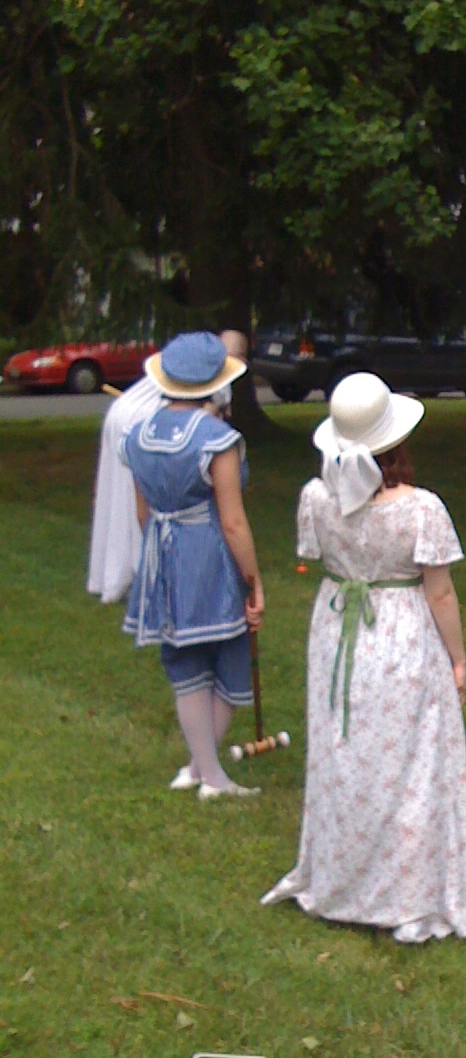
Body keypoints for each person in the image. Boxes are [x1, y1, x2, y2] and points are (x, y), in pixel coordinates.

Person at [262, 373, 466, 944]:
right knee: (409, 765)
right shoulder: (421, 509)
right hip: (401, 637)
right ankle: (404, 893)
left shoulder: (316, 498)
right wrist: (457, 660)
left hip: (339, 634)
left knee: (347, 756)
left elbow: (319, 555)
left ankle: (346, 877)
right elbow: (438, 592)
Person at [121, 331, 264, 797]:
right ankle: (212, 775)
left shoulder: (137, 435)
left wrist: (161, 560)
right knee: (228, 661)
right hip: (207, 554)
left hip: (161, 553)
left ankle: (199, 767)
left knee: (185, 666)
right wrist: (252, 580)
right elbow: (234, 522)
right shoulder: (217, 438)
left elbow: (143, 513)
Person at [88, 330, 248, 603]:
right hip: (145, 425)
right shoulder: (209, 392)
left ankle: (148, 565)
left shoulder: (193, 370)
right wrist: (250, 580)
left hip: (130, 422)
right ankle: (142, 565)